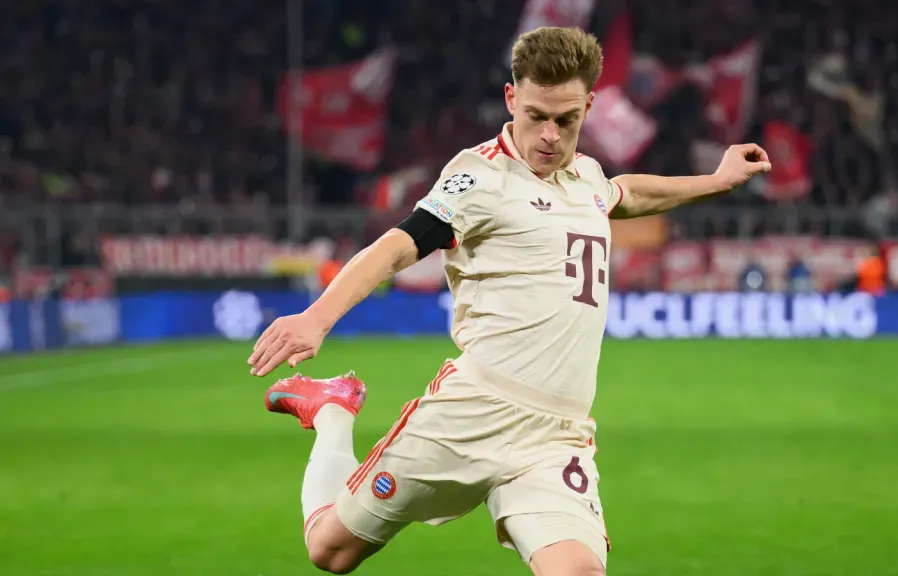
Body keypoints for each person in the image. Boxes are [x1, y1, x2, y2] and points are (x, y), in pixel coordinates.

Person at [247, 26, 771, 576]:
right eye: (535, 115)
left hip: (557, 435)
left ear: (588, 106)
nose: (549, 134)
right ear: (511, 99)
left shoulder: (585, 176)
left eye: (565, 120)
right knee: (331, 551)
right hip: (470, 413)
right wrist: (316, 317)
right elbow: (400, 245)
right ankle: (333, 410)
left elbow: (626, 192)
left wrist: (716, 180)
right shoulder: (477, 176)